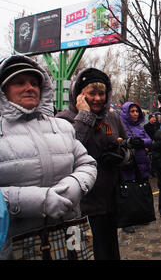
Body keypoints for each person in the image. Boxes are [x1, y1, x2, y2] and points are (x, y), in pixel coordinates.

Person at [0, 55, 97, 260]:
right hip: (17, 241)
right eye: (19, 82)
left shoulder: (61, 127)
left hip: (70, 232)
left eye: (34, 83)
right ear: (3, 90)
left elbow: (87, 163)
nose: (29, 87)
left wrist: (76, 185)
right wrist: (40, 201)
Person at [57, 67, 135, 260]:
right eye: (92, 93)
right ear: (79, 94)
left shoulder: (112, 117)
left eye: (102, 93)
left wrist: (122, 156)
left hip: (110, 202)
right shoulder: (63, 120)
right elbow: (66, 155)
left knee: (110, 253)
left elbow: (127, 148)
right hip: (82, 206)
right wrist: (84, 117)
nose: (98, 98)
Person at [119, 101, 153, 233]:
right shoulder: (121, 125)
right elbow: (119, 140)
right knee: (128, 192)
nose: (135, 114)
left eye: (136, 111)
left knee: (141, 189)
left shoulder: (140, 126)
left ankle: (141, 216)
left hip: (141, 161)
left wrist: (141, 142)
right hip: (128, 162)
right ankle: (127, 221)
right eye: (132, 111)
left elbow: (149, 141)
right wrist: (129, 142)